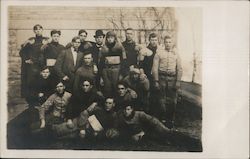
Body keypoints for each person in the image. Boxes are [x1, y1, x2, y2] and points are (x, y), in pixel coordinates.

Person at [152, 35, 183, 129]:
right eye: (166, 42)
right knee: (161, 100)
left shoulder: (176, 54)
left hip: (172, 79)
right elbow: (154, 68)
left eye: (170, 42)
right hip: (161, 78)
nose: (168, 44)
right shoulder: (159, 53)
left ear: (172, 43)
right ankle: (163, 120)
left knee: (173, 101)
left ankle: (171, 120)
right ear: (164, 43)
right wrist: (156, 81)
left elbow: (179, 69)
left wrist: (178, 81)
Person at [19, 24, 48, 105]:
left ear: (42, 30)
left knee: (42, 82)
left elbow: (49, 51)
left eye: (39, 29)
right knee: (32, 82)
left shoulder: (46, 40)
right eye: (36, 29)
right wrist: (26, 60)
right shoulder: (31, 40)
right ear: (34, 31)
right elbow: (22, 52)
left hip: (42, 65)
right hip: (32, 67)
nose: (38, 31)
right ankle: (32, 101)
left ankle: (42, 100)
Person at [99, 31, 127, 96]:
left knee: (116, 87)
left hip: (117, 70)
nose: (110, 39)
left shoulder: (120, 48)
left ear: (115, 38)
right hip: (106, 70)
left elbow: (124, 61)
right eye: (108, 38)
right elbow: (101, 63)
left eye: (112, 37)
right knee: (107, 88)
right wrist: (101, 75)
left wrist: (122, 73)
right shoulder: (104, 48)